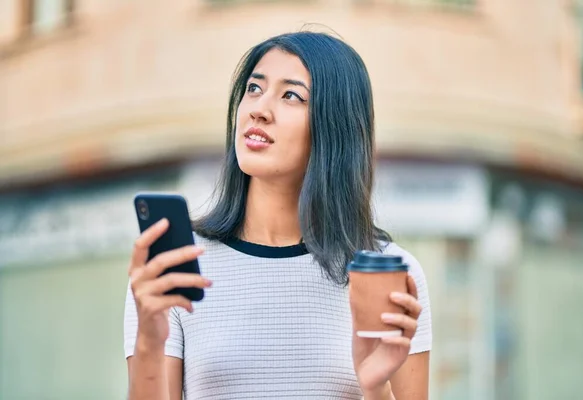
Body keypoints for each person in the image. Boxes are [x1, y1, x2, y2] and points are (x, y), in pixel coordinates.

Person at [124, 31, 432, 400]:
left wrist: (375, 386)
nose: (259, 109)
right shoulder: (179, 263)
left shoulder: (389, 271)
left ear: (335, 127)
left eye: (290, 95)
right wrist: (147, 342)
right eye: (254, 89)